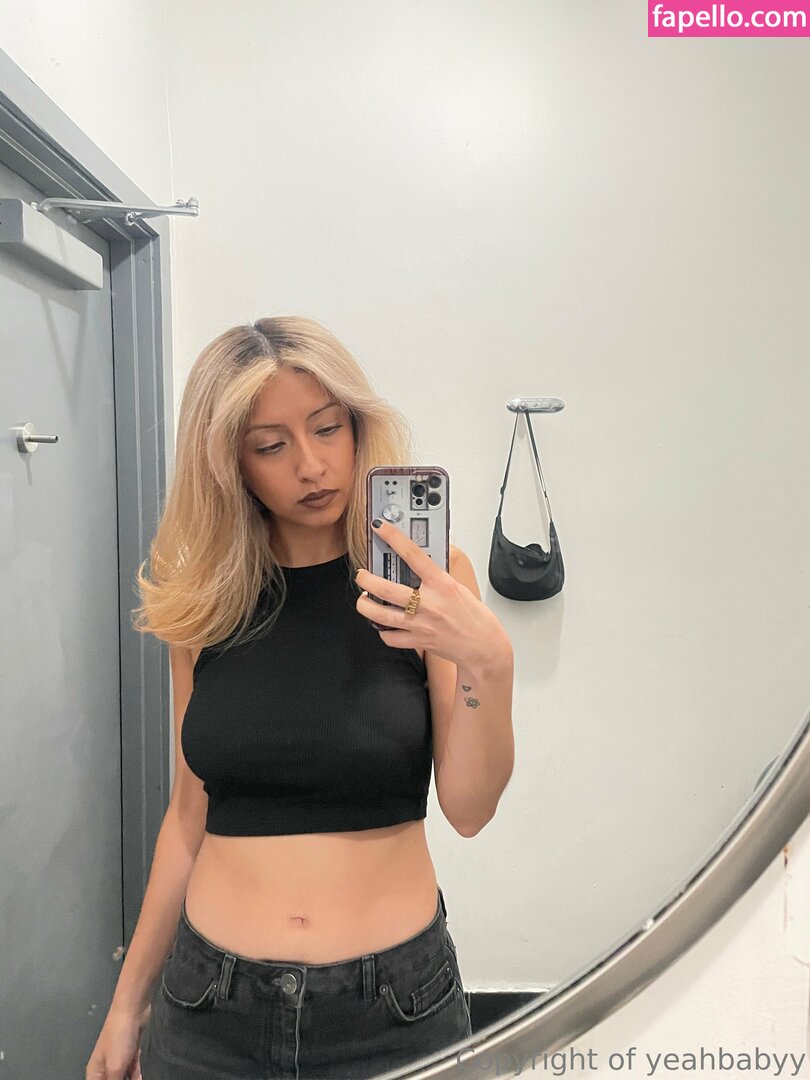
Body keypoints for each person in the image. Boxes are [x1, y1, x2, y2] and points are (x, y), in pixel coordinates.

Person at [86, 315, 515, 1080]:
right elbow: (188, 817)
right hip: (209, 1008)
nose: (312, 466)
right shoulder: (206, 598)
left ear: (357, 427)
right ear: (230, 462)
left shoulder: (426, 583)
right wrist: (127, 1004)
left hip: (394, 1010)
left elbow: (470, 809)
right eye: (271, 445)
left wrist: (490, 662)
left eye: (327, 428)